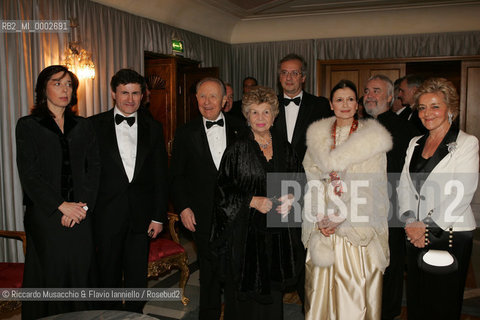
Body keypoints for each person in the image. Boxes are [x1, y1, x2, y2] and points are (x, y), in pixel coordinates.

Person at [211, 86, 304, 319]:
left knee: (272, 296)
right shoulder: (236, 149)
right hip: (245, 236)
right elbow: (222, 192)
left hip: (277, 235)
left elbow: (299, 179)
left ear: (274, 116)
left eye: (265, 112)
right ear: (246, 116)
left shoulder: (285, 147)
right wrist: (251, 201)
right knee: (245, 299)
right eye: (254, 112)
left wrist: (292, 196)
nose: (260, 118)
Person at [302, 80, 392, 320]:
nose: (345, 104)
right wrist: (320, 214)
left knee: (353, 293)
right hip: (323, 226)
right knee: (320, 292)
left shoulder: (371, 137)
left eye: (350, 99)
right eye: (339, 99)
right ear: (331, 104)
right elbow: (311, 178)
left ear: (357, 104)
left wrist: (342, 217)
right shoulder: (318, 135)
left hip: (355, 225)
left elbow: (374, 185)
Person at [16, 65, 100, 319]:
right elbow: (29, 174)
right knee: (51, 277)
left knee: (81, 273)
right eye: (57, 83)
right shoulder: (28, 125)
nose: (65, 90)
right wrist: (61, 205)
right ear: (43, 89)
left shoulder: (84, 125)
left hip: (82, 212)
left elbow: (93, 169)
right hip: (46, 214)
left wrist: (81, 207)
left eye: (69, 85)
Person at [397, 78, 479, 320]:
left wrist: (426, 227)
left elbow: (462, 192)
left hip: (449, 232)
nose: (427, 113)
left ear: (450, 109)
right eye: (422, 107)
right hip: (413, 232)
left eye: (435, 106)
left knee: (442, 303)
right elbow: (403, 185)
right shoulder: (415, 143)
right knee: (418, 299)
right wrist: (411, 220)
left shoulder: (466, 143)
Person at [89, 69, 168, 312]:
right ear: (113, 93)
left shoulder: (153, 127)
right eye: (124, 93)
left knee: (136, 277)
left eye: (135, 93)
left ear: (143, 95)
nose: (130, 99)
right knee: (107, 276)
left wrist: (157, 216)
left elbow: (160, 176)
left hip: (141, 217)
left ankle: (135, 315)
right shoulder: (93, 125)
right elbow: (85, 175)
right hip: (105, 215)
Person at [170, 77, 244, 319]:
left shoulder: (241, 129)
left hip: (236, 214)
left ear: (225, 100)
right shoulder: (184, 132)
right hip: (201, 216)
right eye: (202, 96)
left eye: (213, 96)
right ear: (196, 100)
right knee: (209, 274)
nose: (207, 102)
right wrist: (183, 208)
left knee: (236, 273)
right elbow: (177, 176)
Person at [363, 74, 419, 320]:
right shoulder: (358, 126)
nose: (369, 95)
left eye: (375, 91)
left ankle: (387, 312)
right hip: (362, 205)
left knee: (391, 261)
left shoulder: (405, 129)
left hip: (392, 206)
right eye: (366, 91)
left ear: (389, 97)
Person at [273, 53, 332, 162]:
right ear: (279, 77)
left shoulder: (320, 105)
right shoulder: (269, 105)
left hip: (309, 173)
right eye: (284, 72)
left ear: (303, 78)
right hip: (275, 172)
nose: (288, 78)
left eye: (294, 73)